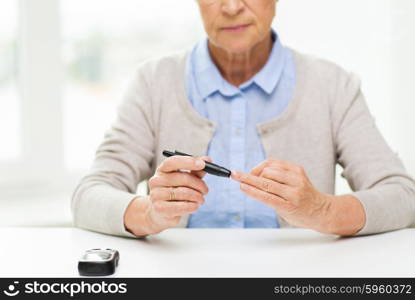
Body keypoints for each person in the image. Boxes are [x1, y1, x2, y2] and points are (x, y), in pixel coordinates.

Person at [71, 0, 415, 238]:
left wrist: (322, 210)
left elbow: (403, 197)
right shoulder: (153, 82)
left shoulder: (333, 84)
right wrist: (148, 213)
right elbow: (89, 196)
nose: (232, 6)